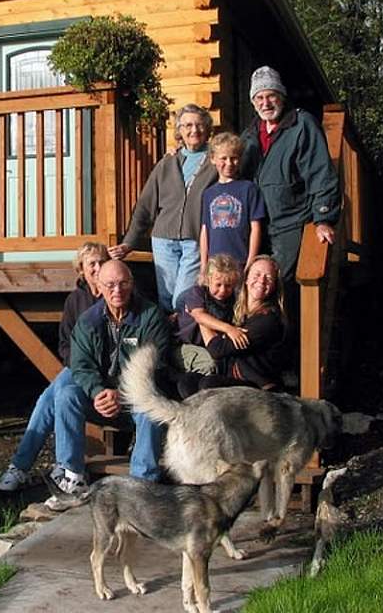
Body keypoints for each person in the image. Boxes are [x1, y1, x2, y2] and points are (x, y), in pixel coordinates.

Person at [0, 242, 110, 492]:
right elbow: (65, 345)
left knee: (52, 397)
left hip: (106, 371)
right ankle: (48, 470)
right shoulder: (75, 300)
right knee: (51, 396)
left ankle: (30, 467)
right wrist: (79, 366)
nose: (98, 268)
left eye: (103, 261)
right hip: (78, 367)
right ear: (81, 269)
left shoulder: (115, 294)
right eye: (92, 263)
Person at [66, 259, 171, 487]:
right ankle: (71, 475)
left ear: (132, 284)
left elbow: (154, 363)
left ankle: (142, 484)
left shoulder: (150, 316)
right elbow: (81, 365)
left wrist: (119, 393)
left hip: (137, 397)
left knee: (151, 409)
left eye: (123, 283)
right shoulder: (88, 321)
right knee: (66, 396)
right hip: (102, 398)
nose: (117, 290)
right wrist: (97, 392)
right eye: (110, 284)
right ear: (99, 287)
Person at [108, 104, 218, 313]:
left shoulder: (215, 161)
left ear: (207, 128)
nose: (193, 130)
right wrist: (129, 243)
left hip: (195, 239)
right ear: (179, 131)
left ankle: (185, 340)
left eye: (199, 125)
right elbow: (145, 205)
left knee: (183, 298)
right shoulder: (168, 162)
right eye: (187, 125)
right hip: (163, 239)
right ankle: (172, 342)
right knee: (166, 300)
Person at [239, 67, 340, 287]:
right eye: (259, 98)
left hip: (291, 222)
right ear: (253, 102)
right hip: (256, 225)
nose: (265, 103)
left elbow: (321, 173)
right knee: (251, 284)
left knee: (281, 284)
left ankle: (285, 322)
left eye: (270, 96)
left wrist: (323, 218)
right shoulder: (248, 135)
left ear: (282, 97)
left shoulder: (302, 125)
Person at [196, 255, 287, 391]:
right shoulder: (237, 307)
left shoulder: (267, 320)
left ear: (274, 286)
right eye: (257, 275)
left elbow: (217, 350)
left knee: (209, 385)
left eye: (268, 278)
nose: (261, 281)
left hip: (259, 386)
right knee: (188, 381)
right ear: (247, 278)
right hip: (234, 374)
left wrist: (200, 317)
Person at [172, 254, 246, 399]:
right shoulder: (198, 293)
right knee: (210, 364)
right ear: (208, 280)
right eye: (218, 285)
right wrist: (229, 329)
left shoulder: (232, 300)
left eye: (228, 286)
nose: (223, 290)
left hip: (210, 346)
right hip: (185, 345)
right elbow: (200, 315)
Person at [200, 132, 265, 274]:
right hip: (215, 263)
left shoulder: (249, 189)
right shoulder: (208, 193)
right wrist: (204, 265)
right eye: (223, 158)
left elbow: (255, 228)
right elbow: (205, 231)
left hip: (239, 261)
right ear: (213, 159)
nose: (229, 163)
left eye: (234, 158)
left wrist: (251, 261)